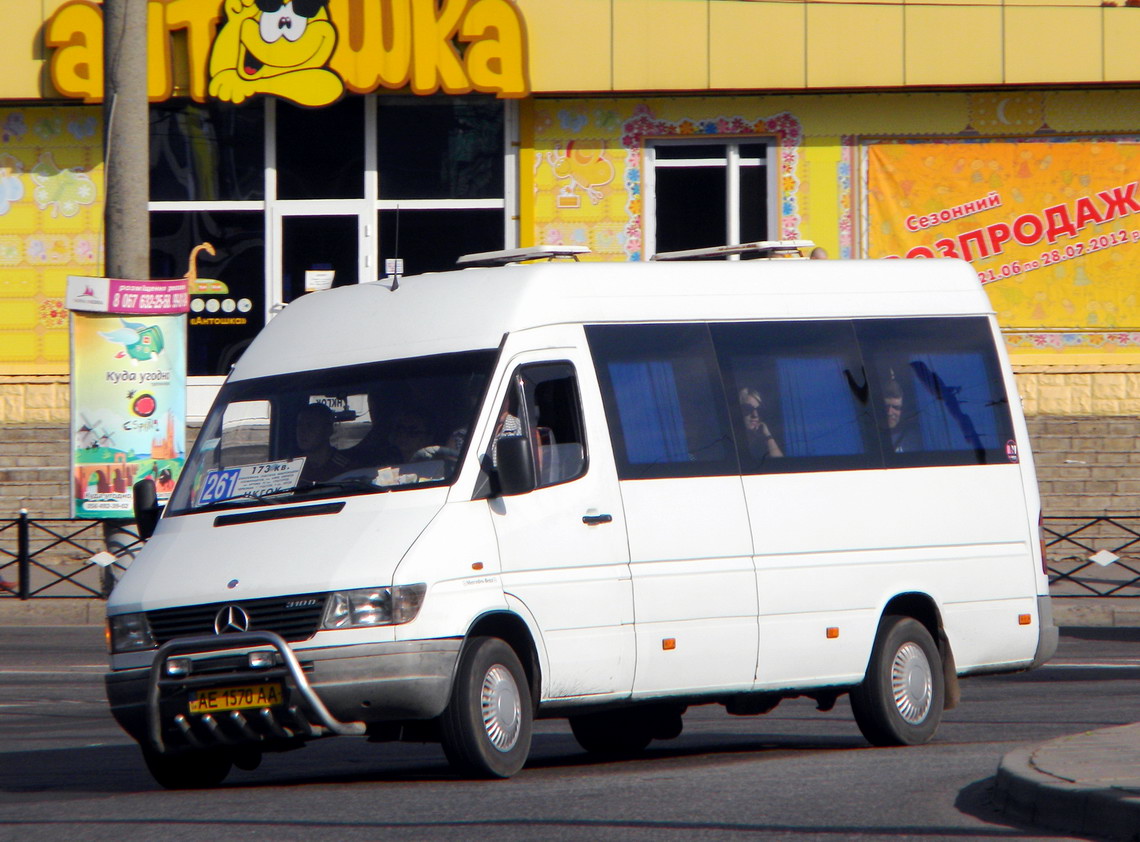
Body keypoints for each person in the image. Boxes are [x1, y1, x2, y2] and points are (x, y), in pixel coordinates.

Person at [295, 402, 350, 483]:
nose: (302, 431)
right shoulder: (294, 467)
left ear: (328, 430)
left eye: (310, 426)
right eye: (299, 425)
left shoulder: (344, 467)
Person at [739, 387, 783, 459]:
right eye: (748, 409)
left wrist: (768, 435)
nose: (755, 415)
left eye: (759, 410)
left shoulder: (761, 442)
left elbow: (781, 464)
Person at [883, 377, 922, 453]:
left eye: (896, 407)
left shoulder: (916, 439)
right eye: (886, 407)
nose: (890, 412)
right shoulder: (872, 438)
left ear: (902, 410)